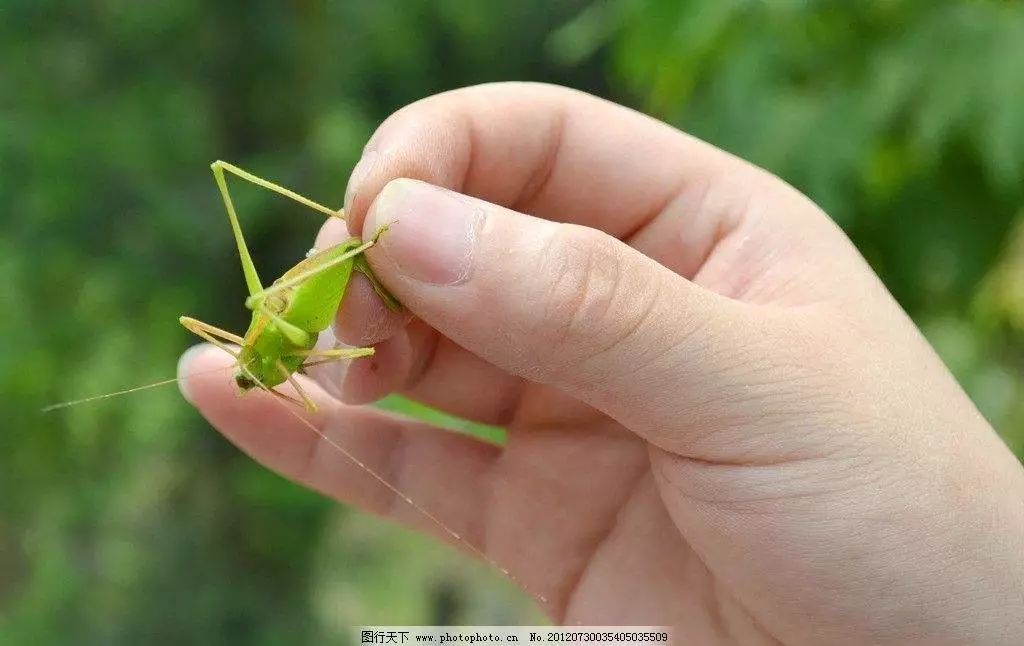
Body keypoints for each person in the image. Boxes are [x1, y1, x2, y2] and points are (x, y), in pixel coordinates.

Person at [178, 83, 1024, 644]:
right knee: (342, 342)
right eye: (254, 373)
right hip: (326, 298)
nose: (252, 372)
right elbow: (334, 352)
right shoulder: (273, 360)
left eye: (249, 370)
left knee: (307, 305)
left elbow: (314, 346)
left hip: (324, 288)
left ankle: (346, 234)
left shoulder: (271, 345)